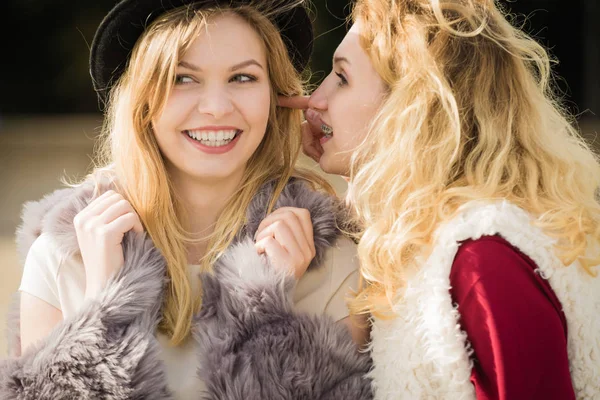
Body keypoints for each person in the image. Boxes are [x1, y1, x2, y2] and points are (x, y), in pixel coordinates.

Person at [1, 1, 372, 398]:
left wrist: (267, 320)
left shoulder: (333, 262)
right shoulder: (64, 255)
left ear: (275, 96)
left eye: (243, 77)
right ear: (143, 102)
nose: (215, 108)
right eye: (182, 78)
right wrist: (104, 310)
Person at [280, 0, 600, 398]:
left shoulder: (483, 261)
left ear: (412, 109)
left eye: (341, 78)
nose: (317, 98)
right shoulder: (439, 237)